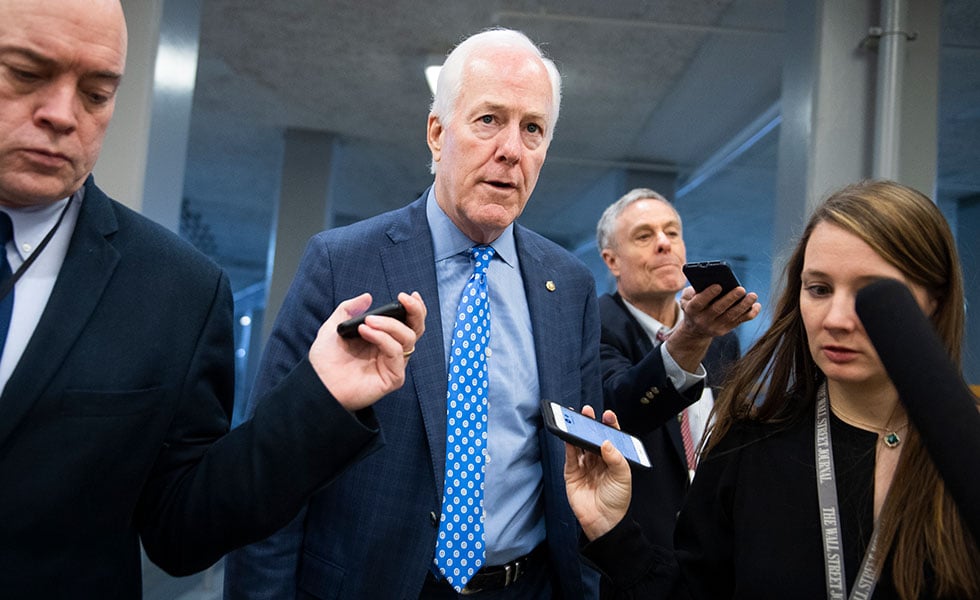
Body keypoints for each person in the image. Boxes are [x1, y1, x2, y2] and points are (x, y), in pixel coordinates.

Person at [0, 1, 425, 597]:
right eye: (25, 74)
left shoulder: (175, 290)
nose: (61, 114)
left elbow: (183, 531)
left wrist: (320, 398)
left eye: (96, 94)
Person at [223, 28, 603, 599]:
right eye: (488, 120)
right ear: (436, 133)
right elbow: (273, 465)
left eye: (533, 129)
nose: (511, 149)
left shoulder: (568, 286)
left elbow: (583, 462)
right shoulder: (342, 264)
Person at [565, 180, 980, 599]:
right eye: (818, 289)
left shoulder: (964, 449)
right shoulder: (748, 445)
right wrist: (613, 533)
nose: (836, 319)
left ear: (935, 299)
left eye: (871, 293)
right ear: (610, 260)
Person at [594, 188, 758, 551]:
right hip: (638, 545)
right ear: (612, 261)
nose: (664, 244)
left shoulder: (719, 336)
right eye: (644, 235)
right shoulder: (595, 325)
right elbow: (621, 412)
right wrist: (690, 336)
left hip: (713, 537)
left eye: (672, 232)